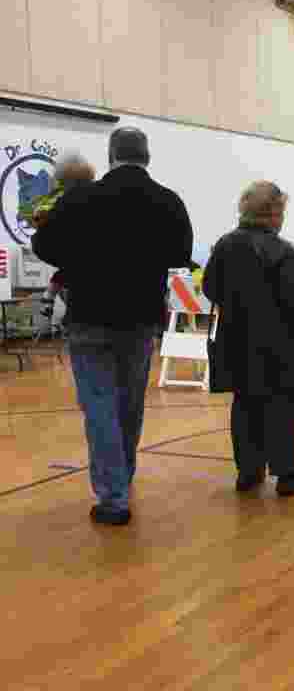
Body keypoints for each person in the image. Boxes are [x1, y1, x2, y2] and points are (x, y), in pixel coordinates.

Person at [31, 128, 193, 525]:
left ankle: (113, 495)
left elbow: (44, 248)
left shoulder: (79, 198)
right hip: (140, 319)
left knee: (99, 406)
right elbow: (181, 253)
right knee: (129, 406)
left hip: (88, 317)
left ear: (110, 156)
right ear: (147, 156)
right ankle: (123, 475)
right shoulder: (167, 201)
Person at [202, 182, 294, 496]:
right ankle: (286, 474)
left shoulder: (225, 245)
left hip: (237, 340)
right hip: (279, 344)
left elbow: (210, 289)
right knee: (284, 406)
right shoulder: (281, 251)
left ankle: (249, 471)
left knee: (245, 406)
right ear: (273, 213)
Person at [31, 155, 96, 302]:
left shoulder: (67, 199)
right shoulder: (96, 194)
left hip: (72, 257)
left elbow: (44, 233)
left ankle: (50, 298)